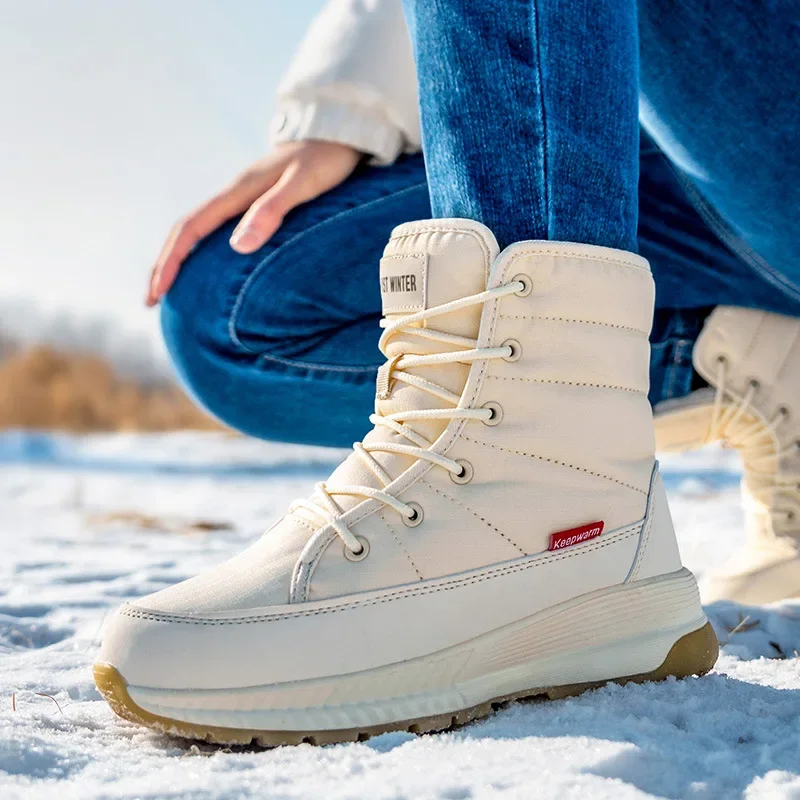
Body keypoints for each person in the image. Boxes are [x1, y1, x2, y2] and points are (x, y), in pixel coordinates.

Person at [94, 1, 797, 744]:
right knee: (232, 306)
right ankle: (749, 364)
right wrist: (341, 111)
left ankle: (553, 492)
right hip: (706, 168)